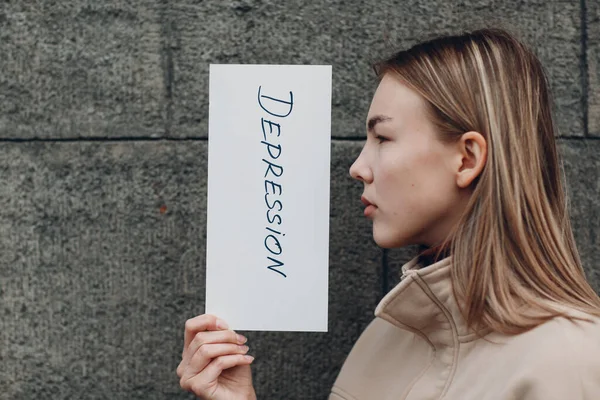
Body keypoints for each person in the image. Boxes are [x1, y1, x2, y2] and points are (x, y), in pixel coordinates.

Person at [176, 28, 600, 399]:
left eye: (383, 137)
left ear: (467, 157)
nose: (358, 167)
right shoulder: (388, 335)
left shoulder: (572, 361)